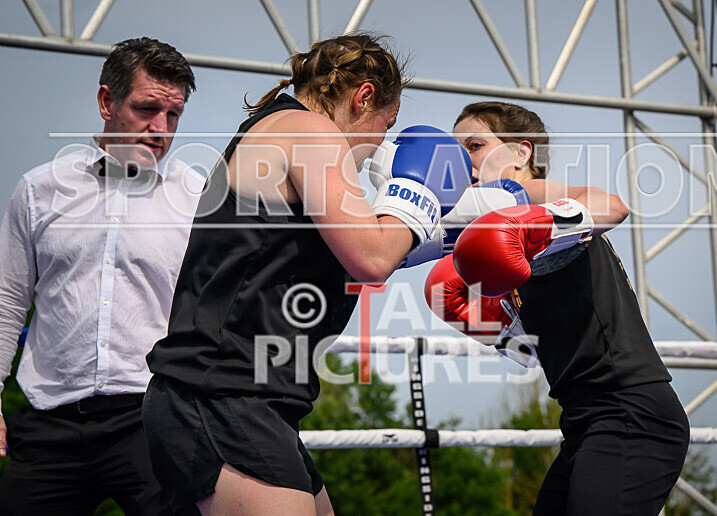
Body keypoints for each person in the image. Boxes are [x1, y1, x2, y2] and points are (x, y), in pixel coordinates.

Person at [142, 33, 474, 516]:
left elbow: (367, 251)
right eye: (387, 124)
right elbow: (373, 258)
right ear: (364, 98)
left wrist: (452, 229)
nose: (380, 143)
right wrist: (418, 195)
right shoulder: (309, 132)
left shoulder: (279, 129)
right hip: (220, 394)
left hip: (248, 398)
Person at [427, 101, 690, 515]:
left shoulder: (528, 199)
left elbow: (613, 205)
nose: (464, 162)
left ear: (521, 153)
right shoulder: (490, 236)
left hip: (629, 414)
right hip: (584, 419)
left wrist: (538, 223)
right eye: (456, 154)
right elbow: (528, 356)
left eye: (474, 146)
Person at [0, 37, 202, 514]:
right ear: (106, 101)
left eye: (173, 115)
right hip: (48, 423)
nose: (160, 129)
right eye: (147, 108)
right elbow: (7, 302)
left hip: (152, 418)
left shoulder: (198, 199)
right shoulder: (37, 190)